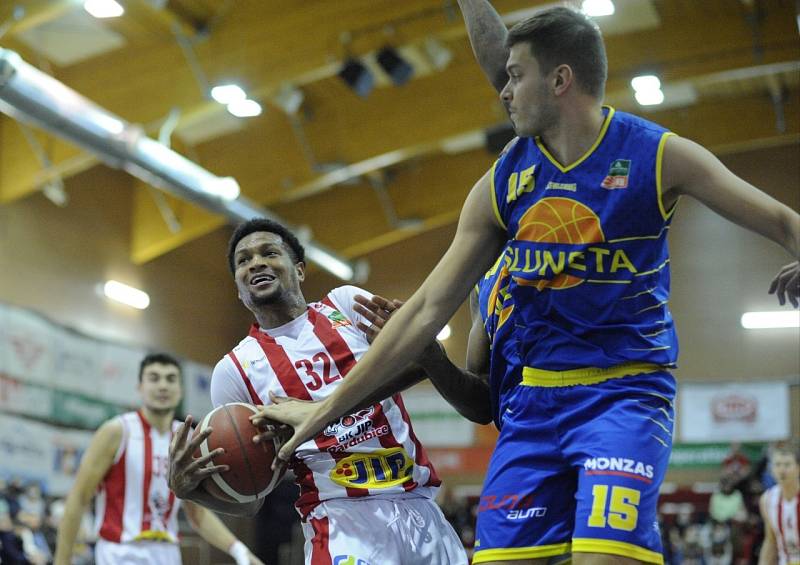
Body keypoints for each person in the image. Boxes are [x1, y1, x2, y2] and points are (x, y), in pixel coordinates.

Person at [261, 3, 800, 564]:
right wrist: (323, 407)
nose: (503, 91)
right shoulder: (502, 187)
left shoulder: (657, 155)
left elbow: (786, 222)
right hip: (532, 407)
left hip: (624, 394)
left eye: (516, 77)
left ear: (561, 80)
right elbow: (425, 310)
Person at [167, 218, 468, 564]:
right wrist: (190, 491)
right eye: (243, 260)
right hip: (341, 522)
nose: (256, 263)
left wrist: (322, 408)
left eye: (269, 252)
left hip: (420, 508)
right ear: (238, 288)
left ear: (300, 270)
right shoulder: (233, 370)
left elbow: (420, 361)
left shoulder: (346, 303)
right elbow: (252, 498)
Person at [54, 353, 261, 565]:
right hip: (120, 552)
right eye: (154, 378)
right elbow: (78, 499)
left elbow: (197, 514)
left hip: (167, 553)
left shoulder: (188, 438)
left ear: (180, 391)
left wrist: (239, 550)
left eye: (171, 379)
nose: (163, 385)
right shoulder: (117, 431)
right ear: (139, 387)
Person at [758, 444, 800, 565]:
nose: (782, 470)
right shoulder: (767, 500)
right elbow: (770, 541)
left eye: (787, 465)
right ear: (772, 470)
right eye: (777, 465)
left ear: (798, 468)